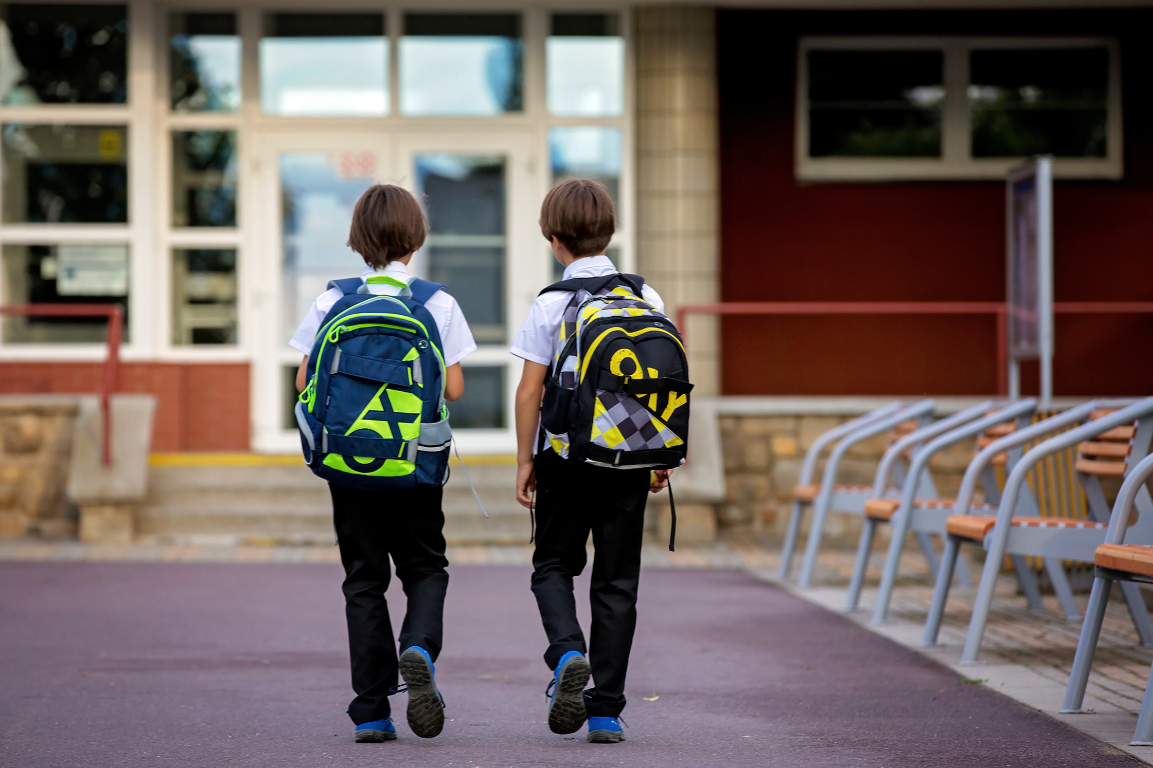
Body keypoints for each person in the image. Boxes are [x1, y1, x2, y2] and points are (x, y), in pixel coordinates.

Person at [289, 184, 476, 743]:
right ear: (415, 241)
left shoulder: (333, 300)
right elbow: (457, 388)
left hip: (349, 465)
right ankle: (417, 646)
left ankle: (372, 709)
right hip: (414, 465)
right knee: (425, 568)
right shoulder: (435, 302)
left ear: (357, 240)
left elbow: (304, 380)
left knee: (363, 581)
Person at [510, 179, 671, 744]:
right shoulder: (646, 298)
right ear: (610, 232)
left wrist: (526, 459)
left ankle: (566, 654)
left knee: (553, 565)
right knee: (617, 582)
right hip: (629, 457)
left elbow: (529, 392)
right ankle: (605, 711)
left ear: (555, 241)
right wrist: (659, 456)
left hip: (565, 458)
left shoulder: (552, 303)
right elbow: (662, 385)